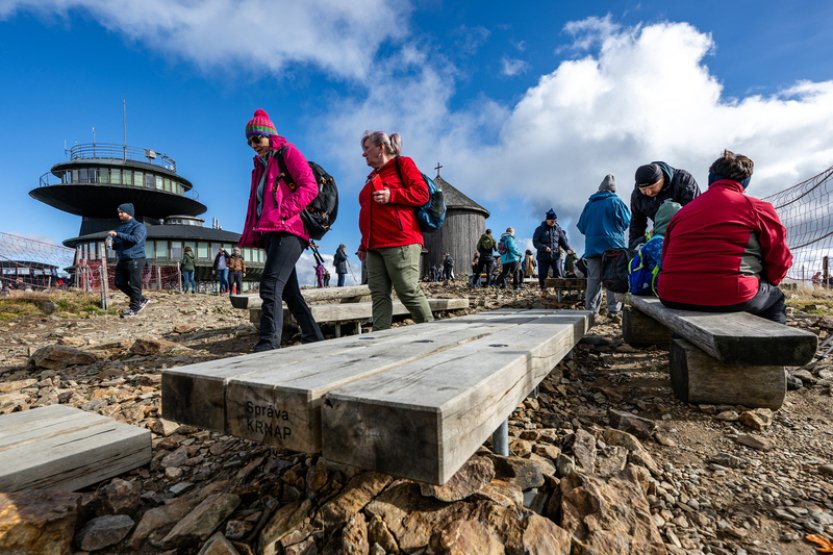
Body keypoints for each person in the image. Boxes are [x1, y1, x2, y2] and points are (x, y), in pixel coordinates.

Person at [658, 150, 792, 324]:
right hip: (732, 293)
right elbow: (779, 257)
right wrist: (769, 279)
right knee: (774, 298)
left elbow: (665, 257)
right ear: (745, 180)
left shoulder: (682, 213)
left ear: (711, 177)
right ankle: (772, 347)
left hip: (672, 294)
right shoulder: (757, 208)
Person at [238, 108, 324, 351]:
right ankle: (313, 338)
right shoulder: (261, 166)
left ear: (269, 135)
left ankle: (268, 344)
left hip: (290, 230)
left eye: (257, 138)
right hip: (271, 233)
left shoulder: (288, 152)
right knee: (289, 291)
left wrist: (283, 211)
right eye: (249, 141)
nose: (253, 144)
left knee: (270, 284)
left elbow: (310, 187)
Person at [357, 130, 434, 331]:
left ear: (380, 147)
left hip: (401, 240)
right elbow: (370, 215)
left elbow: (422, 194)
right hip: (374, 246)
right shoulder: (373, 176)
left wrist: (392, 195)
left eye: (366, 148)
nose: (363, 154)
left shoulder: (403, 164)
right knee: (378, 295)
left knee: (407, 290)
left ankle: (432, 333)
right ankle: (379, 340)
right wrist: (363, 244)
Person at [577, 175, 631, 318]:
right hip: (614, 247)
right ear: (613, 190)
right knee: (614, 278)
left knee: (593, 280)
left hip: (593, 247)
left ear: (600, 189)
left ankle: (591, 312)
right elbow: (627, 222)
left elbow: (581, 226)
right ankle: (614, 312)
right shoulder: (616, 202)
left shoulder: (589, 204)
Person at [629, 161, 700, 249]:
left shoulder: (683, 180)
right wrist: (633, 249)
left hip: (685, 233)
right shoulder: (637, 195)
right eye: (643, 189)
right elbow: (636, 225)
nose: (648, 192)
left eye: (652, 187)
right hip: (658, 237)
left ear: (662, 179)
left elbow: (695, 214)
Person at [107, 203, 149, 318]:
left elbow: (135, 239)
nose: (119, 214)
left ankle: (134, 308)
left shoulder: (139, 226)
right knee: (119, 282)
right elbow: (119, 244)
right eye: (118, 212)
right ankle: (142, 299)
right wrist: (111, 245)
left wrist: (117, 234)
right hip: (123, 259)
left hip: (136, 258)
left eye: (122, 212)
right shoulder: (120, 228)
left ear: (129, 213)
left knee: (135, 285)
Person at [532, 209, 574, 288]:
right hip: (543, 256)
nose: (553, 222)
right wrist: (543, 247)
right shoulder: (539, 229)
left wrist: (568, 249)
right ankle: (544, 291)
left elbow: (563, 242)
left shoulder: (558, 229)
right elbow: (535, 242)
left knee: (558, 273)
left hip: (556, 256)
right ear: (547, 219)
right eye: (551, 220)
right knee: (543, 275)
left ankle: (558, 291)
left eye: (555, 220)